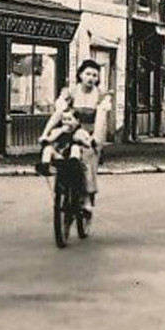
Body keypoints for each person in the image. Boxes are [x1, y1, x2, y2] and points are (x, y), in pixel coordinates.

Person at [39, 60, 112, 216]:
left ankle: (86, 200)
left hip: (89, 134)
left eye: (94, 75)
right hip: (70, 129)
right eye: (87, 74)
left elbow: (100, 118)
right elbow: (59, 110)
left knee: (86, 161)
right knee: (59, 151)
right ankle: (61, 185)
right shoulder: (71, 92)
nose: (91, 78)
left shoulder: (100, 95)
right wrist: (49, 131)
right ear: (80, 75)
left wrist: (95, 140)